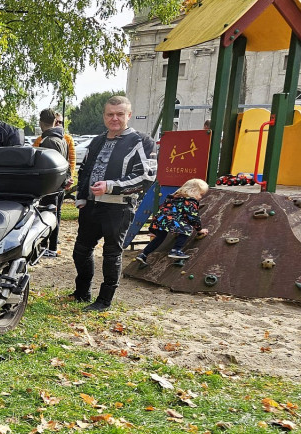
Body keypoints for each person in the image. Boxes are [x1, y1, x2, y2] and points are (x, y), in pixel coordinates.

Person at [70, 95, 156, 311]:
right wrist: (81, 196)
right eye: (110, 114)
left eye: (119, 114)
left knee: (111, 254)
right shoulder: (97, 140)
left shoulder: (142, 141)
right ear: (104, 116)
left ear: (128, 115)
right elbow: (85, 170)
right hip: (90, 205)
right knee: (81, 250)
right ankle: (82, 292)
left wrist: (110, 186)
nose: (114, 118)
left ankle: (104, 300)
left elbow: (146, 178)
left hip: (118, 207)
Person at [135, 178, 209, 263]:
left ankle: (143, 254)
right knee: (187, 228)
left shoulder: (172, 198)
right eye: (200, 194)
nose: (200, 197)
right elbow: (193, 217)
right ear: (193, 191)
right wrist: (199, 230)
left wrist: (154, 229)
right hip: (172, 221)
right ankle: (176, 250)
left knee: (159, 237)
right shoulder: (190, 202)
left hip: (160, 221)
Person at [33, 108, 69, 257]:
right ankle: (51, 246)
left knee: (48, 217)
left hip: (51, 187)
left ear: (40, 122)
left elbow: (48, 167)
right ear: (55, 121)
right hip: (60, 185)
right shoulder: (61, 139)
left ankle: (48, 246)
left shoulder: (48, 141)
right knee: (56, 215)